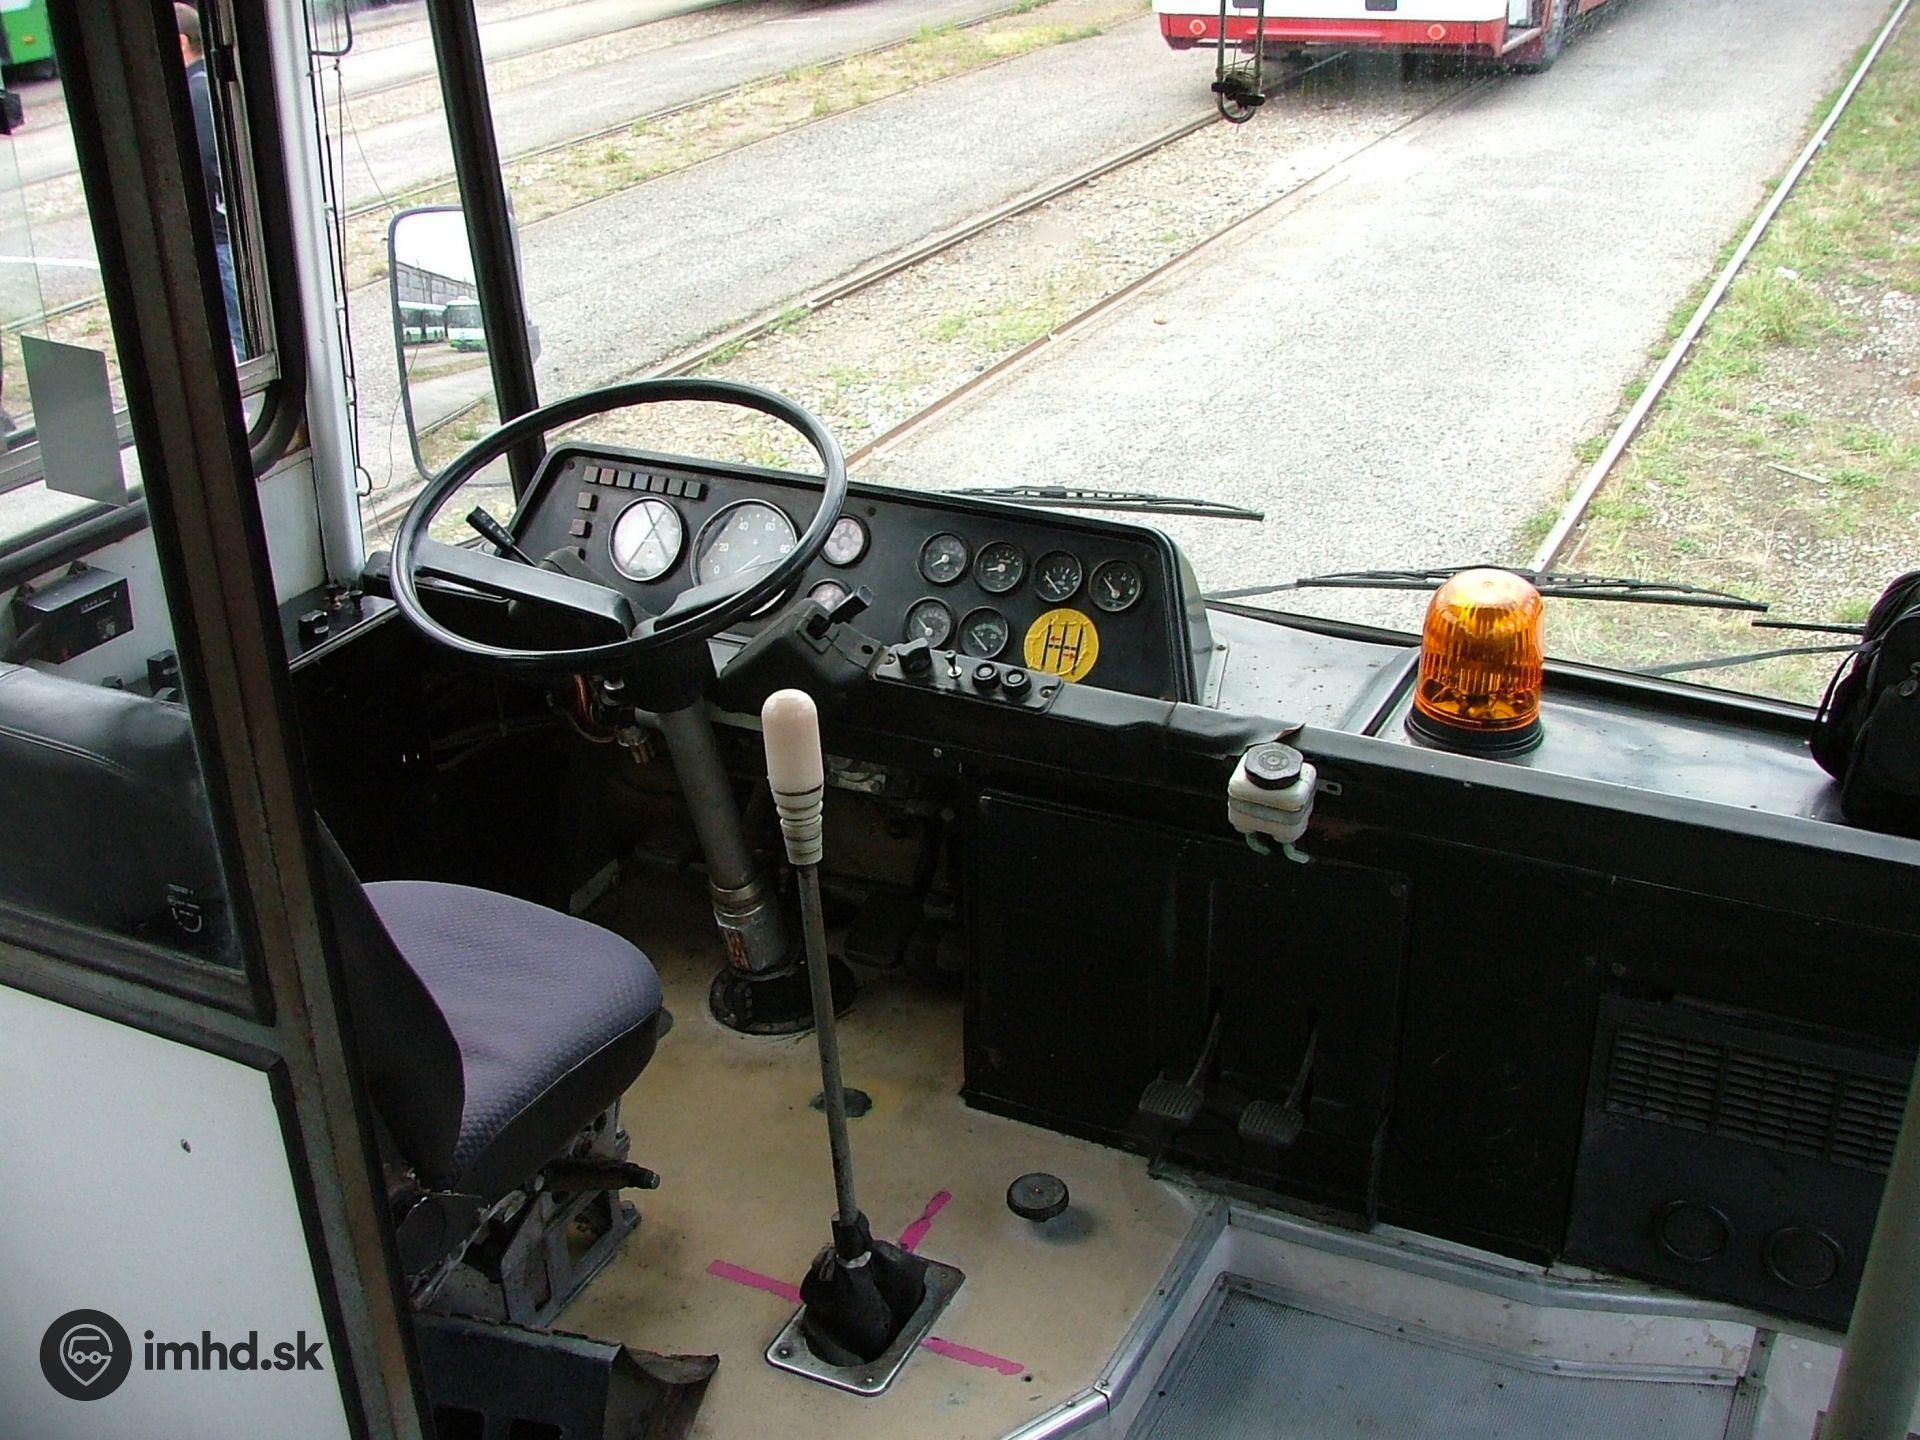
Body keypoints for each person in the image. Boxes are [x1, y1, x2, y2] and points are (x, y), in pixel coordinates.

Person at [175, 4, 245, 358]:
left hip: (219, 237)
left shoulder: (195, 93)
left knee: (243, 335)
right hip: (227, 232)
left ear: (181, 43)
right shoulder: (212, 84)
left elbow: (203, 165)